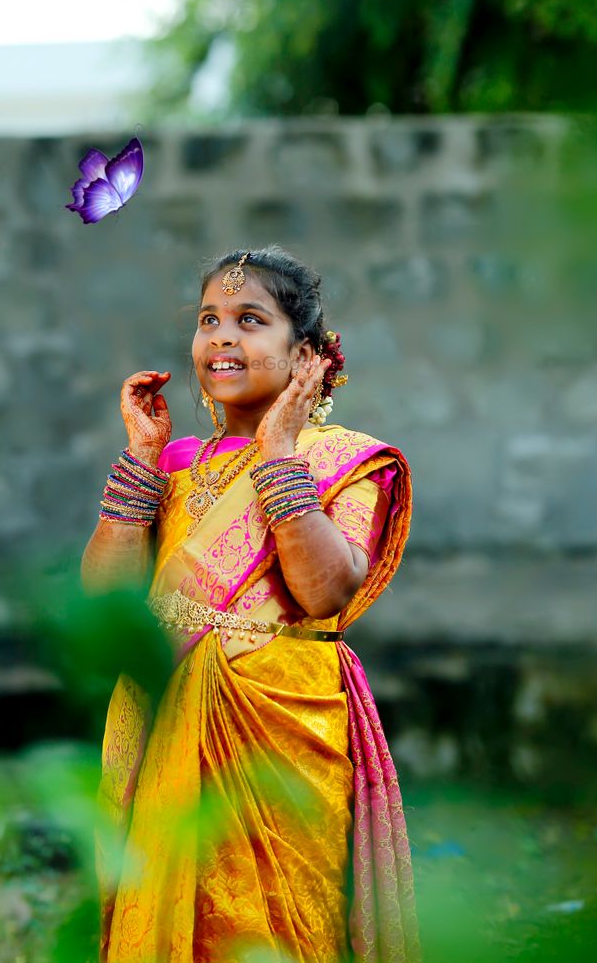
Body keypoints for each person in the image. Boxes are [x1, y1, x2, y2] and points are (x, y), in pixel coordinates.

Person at [81, 245, 420, 963]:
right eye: (209, 319)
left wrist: (277, 457)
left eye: (250, 319)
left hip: (283, 729)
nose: (222, 337)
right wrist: (141, 460)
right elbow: (106, 599)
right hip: (168, 715)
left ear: (307, 358)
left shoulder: (347, 460)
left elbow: (325, 590)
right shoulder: (172, 464)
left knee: (282, 928)